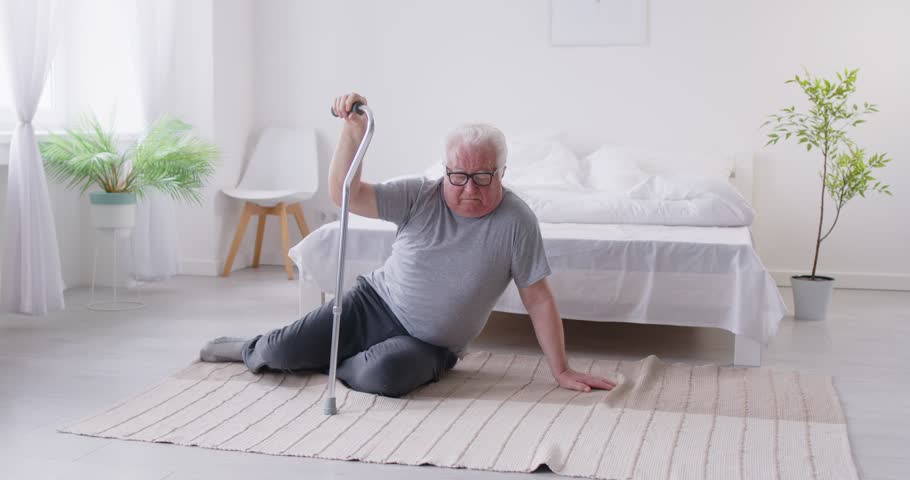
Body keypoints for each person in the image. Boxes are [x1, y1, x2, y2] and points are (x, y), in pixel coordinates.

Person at [199, 92, 616, 397]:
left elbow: (539, 299)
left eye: (483, 177)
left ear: (502, 172)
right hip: (370, 306)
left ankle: (335, 361)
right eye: (458, 175)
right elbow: (346, 193)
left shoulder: (516, 220)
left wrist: (561, 370)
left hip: (429, 346)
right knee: (279, 351)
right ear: (445, 170)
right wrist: (353, 133)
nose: (469, 188)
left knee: (384, 377)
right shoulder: (420, 194)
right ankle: (256, 347)